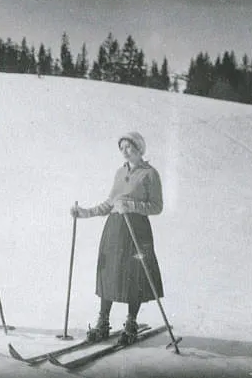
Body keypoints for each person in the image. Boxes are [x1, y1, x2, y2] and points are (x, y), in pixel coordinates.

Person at [70, 131, 164, 344]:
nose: (125, 151)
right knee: (110, 273)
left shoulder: (150, 174)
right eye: (121, 148)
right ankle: (103, 322)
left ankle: (131, 323)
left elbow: (157, 207)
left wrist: (132, 205)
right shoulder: (119, 173)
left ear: (139, 148)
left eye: (128, 147)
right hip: (114, 229)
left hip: (136, 229)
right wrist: (85, 212)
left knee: (135, 274)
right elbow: (110, 203)